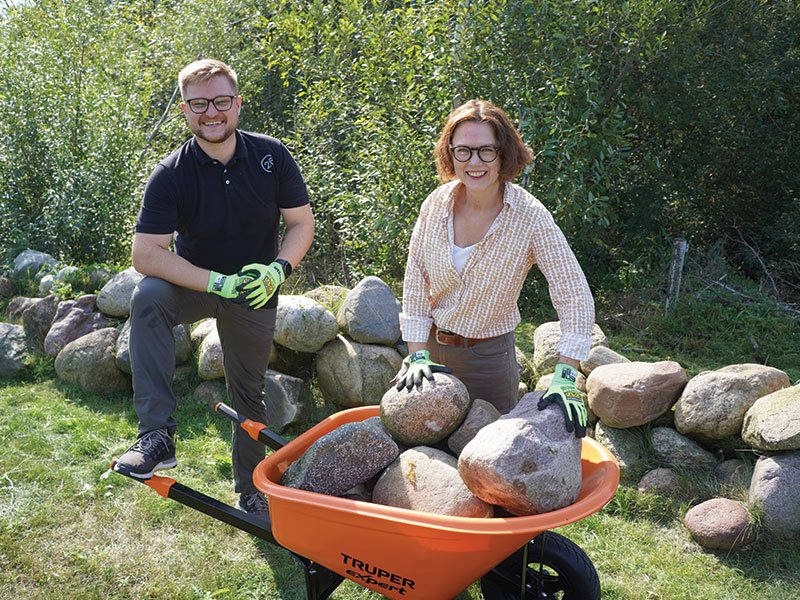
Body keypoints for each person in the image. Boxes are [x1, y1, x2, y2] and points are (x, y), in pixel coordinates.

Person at [114, 59, 314, 515]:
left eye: (221, 101)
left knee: (248, 392)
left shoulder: (272, 155)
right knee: (148, 296)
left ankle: (252, 488)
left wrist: (279, 268)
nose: (212, 112)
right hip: (198, 284)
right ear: (185, 110)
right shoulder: (170, 173)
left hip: (255, 290)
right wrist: (217, 282)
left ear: (237, 103)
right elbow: (146, 254)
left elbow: (301, 223)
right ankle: (157, 437)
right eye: (199, 104)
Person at [394, 99, 594, 437]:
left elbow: (573, 292)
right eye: (463, 151)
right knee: (424, 461)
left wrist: (567, 373)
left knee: (488, 467)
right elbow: (416, 280)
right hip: (430, 357)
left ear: (504, 153)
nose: (474, 162)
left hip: (488, 360)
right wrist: (416, 355)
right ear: (450, 153)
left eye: (486, 151)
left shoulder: (529, 216)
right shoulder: (435, 205)